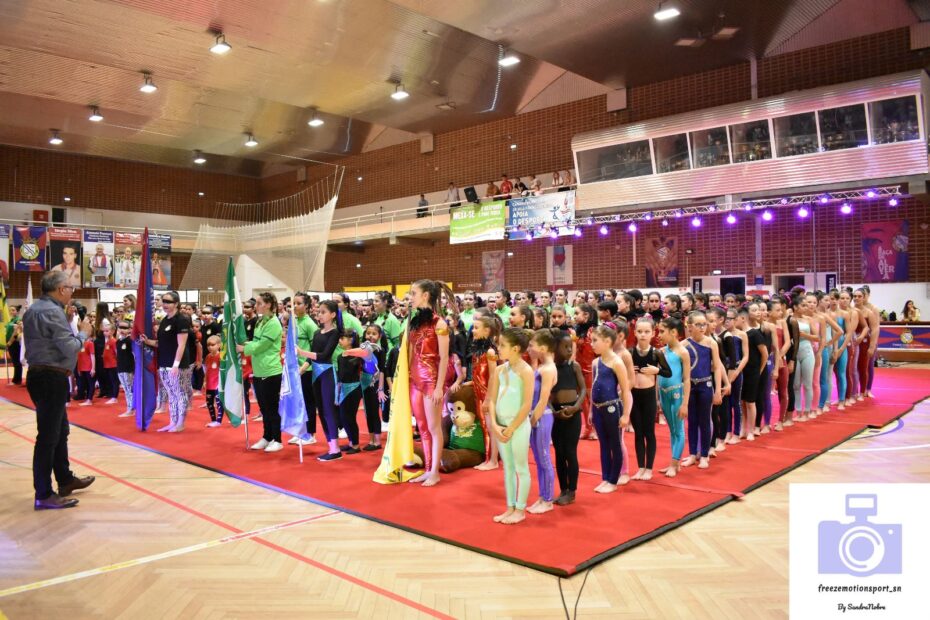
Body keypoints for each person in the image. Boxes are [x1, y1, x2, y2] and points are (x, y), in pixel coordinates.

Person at [24, 271, 95, 509]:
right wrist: (84, 332)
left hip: (41, 375)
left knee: (59, 431)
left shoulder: (35, 309)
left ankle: (65, 479)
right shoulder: (52, 312)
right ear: (61, 289)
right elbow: (69, 347)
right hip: (50, 377)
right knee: (48, 437)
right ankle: (44, 493)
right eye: (70, 287)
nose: (72, 292)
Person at [406, 279, 455, 487]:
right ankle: (427, 469)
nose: (410, 298)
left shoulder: (439, 323)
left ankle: (435, 472)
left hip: (431, 382)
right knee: (422, 427)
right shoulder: (415, 322)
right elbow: (410, 353)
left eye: (413, 293)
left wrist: (438, 387)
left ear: (425, 296)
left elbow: (444, 358)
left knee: (434, 428)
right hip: (415, 380)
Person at [488, 328, 534, 525]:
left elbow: (526, 404)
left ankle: (520, 509)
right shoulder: (500, 370)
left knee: (521, 468)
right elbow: (492, 400)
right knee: (507, 468)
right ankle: (510, 507)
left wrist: (512, 427)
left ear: (515, 349)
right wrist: (495, 424)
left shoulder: (526, 371)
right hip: (501, 425)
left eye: (502, 345)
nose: (498, 348)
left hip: (518, 426)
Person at [237, 292, 283, 452]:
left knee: (272, 407)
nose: (256, 306)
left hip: (270, 371)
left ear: (268, 305)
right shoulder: (260, 321)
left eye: (259, 303)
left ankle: (277, 439)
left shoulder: (274, 323)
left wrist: (244, 348)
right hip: (258, 370)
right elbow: (255, 342)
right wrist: (245, 344)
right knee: (263, 408)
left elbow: (262, 345)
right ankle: (267, 436)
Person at [590, 325, 633, 493]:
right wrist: (592, 410)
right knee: (603, 445)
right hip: (598, 409)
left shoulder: (617, 362)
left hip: (612, 408)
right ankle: (606, 477)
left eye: (595, 340)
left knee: (615, 444)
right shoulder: (596, 362)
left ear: (607, 341)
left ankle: (613, 480)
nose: (591, 344)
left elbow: (626, 390)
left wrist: (626, 414)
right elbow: (593, 387)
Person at [142, 291, 191, 433]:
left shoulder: (181, 320)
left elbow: (181, 344)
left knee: (180, 393)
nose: (165, 304)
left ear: (176, 304)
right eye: (164, 301)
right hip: (164, 362)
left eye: (168, 302)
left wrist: (176, 365)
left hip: (177, 364)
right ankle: (172, 421)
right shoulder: (164, 320)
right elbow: (161, 343)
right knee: (171, 394)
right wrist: (147, 341)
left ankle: (180, 423)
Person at [629, 318, 671, 480]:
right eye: (640, 331)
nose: (643, 335)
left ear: (653, 333)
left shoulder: (656, 353)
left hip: (648, 397)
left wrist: (656, 370)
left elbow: (668, 372)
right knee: (638, 433)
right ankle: (640, 467)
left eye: (647, 332)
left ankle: (649, 468)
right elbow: (620, 373)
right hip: (634, 395)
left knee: (649, 432)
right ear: (635, 333)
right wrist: (628, 370)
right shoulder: (630, 352)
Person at [549, 329, 585, 504]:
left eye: (571, 347)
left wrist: (576, 407)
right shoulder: (549, 369)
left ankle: (572, 491)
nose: (570, 350)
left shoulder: (574, 366)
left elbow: (583, 389)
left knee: (570, 452)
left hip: (573, 413)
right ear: (554, 348)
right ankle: (563, 488)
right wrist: (553, 412)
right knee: (559, 452)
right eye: (565, 347)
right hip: (556, 415)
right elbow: (545, 395)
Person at [526, 329, 557, 515]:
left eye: (532, 346)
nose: (528, 349)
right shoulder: (542, 367)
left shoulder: (548, 369)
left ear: (543, 348)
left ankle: (548, 499)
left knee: (544, 459)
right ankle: (542, 496)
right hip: (536, 416)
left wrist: (531, 421)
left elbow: (543, 399)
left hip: (541, 417)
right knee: (538, 460)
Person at [657, 317, 690, 477]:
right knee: (672, 430)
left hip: (677, 394)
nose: (659, 335)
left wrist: (685, 403)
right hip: (664, 393)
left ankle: (674, 463)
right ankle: (674, 462)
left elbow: (687, 379)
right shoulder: (662, 351)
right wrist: (657, 397)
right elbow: (659, 375)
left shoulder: (683, 352)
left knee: (679, 429)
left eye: (662, 331)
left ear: (674, 332)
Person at [290, 292, 319, 446]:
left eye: (299, 303)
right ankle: (301, 432)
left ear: (307, 306)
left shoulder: (309, 324)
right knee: (298, 402)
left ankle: (310, 434)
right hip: (294, 368)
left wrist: (304, 367)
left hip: (306, 370)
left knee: (308, 402)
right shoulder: (294, 321)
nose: (295, 306)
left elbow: (315, 349)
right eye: (294, 303)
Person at [203, 334, 224, 427]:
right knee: (209, 403)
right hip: (209, 384)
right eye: (208, 345)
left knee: (219, 403)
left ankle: (218, 421)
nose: (210, 347)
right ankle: (213, 420)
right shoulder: (208, 356)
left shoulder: (221, 356)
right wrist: (204, 381)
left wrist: (222, 382)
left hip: (217, 384)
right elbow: (207, 370)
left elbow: (223, 371)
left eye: (212, 345)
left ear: (219, 345)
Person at [115, 321, 134, 417]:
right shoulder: (118, 341)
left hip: (128, 369)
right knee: (126, 389)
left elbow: (135, 355)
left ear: (130, 329)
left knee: (129, 389)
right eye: (120, 327)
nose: (122, 330)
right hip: (120, 368)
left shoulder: (130, 341)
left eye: (125, 328)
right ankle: (130, 408)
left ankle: (131, 409)